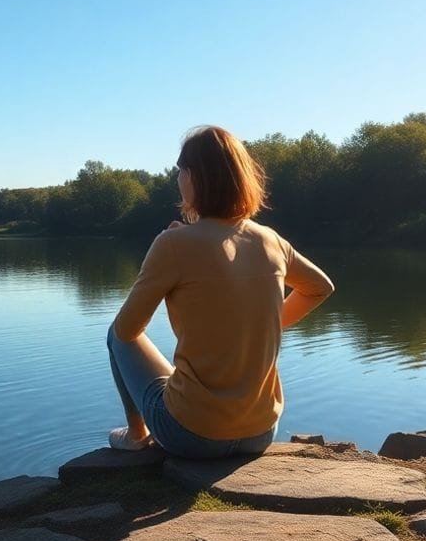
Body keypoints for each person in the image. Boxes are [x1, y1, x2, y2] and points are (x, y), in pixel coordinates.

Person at [106, 125, 335, 458]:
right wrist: (262, 327)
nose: (178, 178)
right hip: (260, 433)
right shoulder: (269, 239)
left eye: (181, 170)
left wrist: (167, 251)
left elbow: (128, 331)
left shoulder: (173, 244)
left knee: (114, 334)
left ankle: (136, 435)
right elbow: (320, 288)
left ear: (195, 177)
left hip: (191, 435)